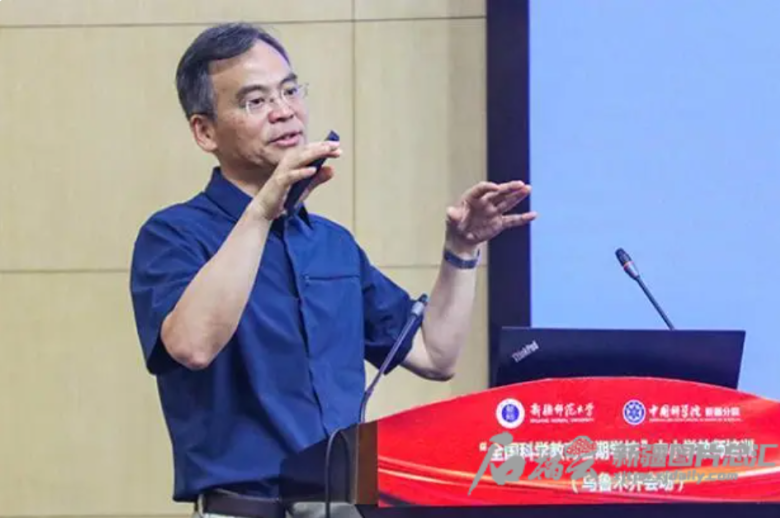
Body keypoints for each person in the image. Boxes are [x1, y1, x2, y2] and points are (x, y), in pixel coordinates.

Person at [129, 22, 535, 518]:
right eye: (255, 101)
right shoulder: (173, 235)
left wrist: (462, 248)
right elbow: (192, 346)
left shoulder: (332, 244)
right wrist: (262, 211)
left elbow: (434, 354)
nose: (284, 111)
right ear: (205, 131)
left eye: (290, 90)